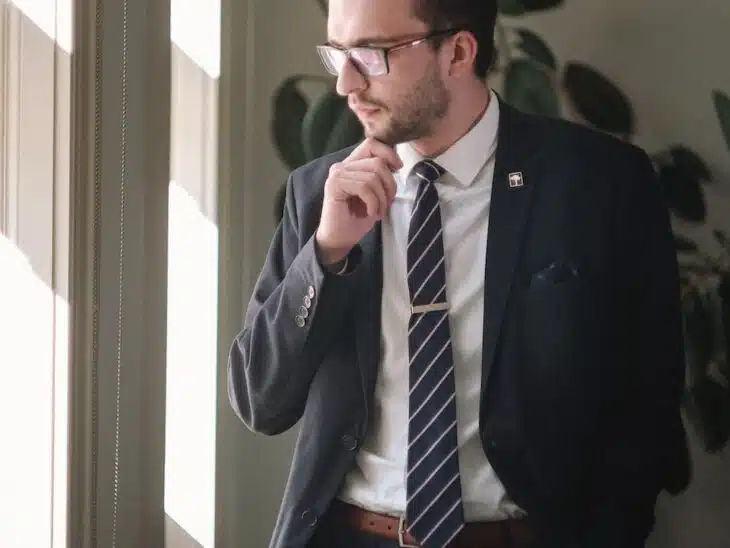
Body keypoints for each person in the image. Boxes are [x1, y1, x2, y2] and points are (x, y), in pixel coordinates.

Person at [227, 0, 691, 546]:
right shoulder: (318, 193)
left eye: (371, 55)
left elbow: (647, 398)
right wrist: (326, 253)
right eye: (338, 54)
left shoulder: (599, 182)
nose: (345, 85)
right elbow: (261, 400)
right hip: (352, 534)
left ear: (459, 52)